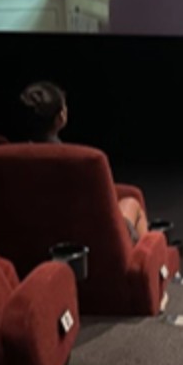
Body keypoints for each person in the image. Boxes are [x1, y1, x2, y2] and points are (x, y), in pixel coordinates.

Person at [19, 81, 147, 243]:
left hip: (34, 238)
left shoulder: (4, 160)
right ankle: (148, 261)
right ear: (60, 118)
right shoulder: (79, 160)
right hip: (88, 240)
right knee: (132, 203)